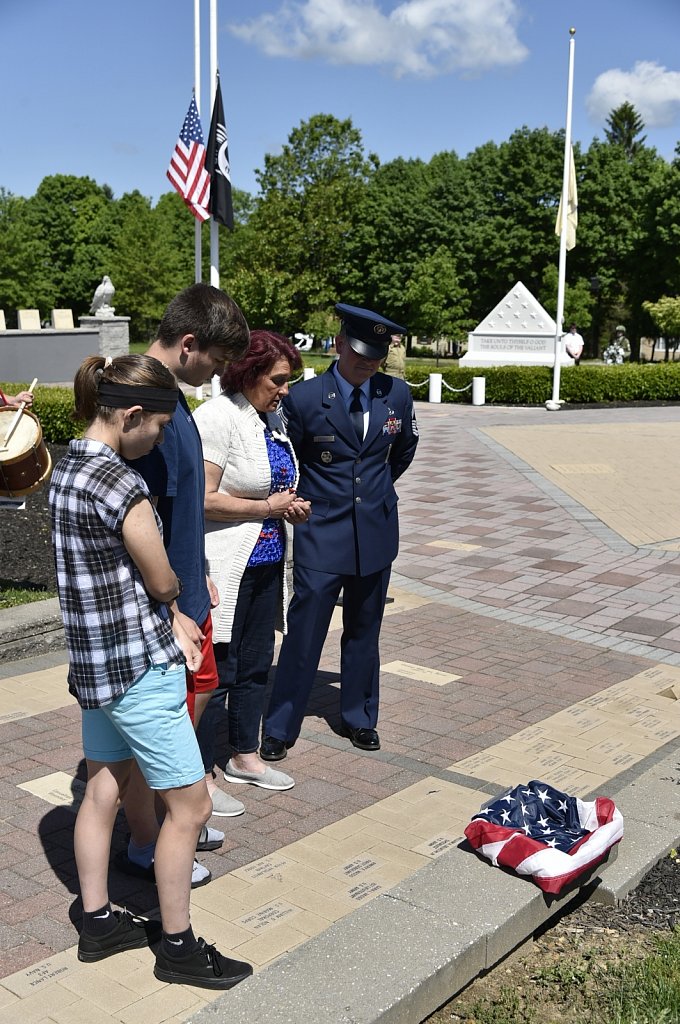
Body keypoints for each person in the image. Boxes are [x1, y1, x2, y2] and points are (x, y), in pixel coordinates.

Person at [49, 354, 252, 990]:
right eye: (159, 428)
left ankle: (98, 919)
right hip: (139, 666)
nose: (161, 439)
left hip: (93, 666)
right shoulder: (121, 484)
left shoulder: (65, 466)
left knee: (102, 788)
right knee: (188, 807)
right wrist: (176, 603)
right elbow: (164, 577)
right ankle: (179, 946)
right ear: (131, 415)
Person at [121, 284, 250, 868]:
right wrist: (169, 607)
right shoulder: (149, 405)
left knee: (179, 724)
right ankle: (148, 841)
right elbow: (142, 519)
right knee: (155, 739)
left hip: (186, 595)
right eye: (218, 362)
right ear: (190, 343)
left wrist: (198, 575)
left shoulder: (168, 396)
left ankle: (169, 828)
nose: (219, 373)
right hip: (163, 609)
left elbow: (184, 512)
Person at [260, 302, 419, 760]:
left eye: (377, 356)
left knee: (365, 631)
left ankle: (360, 717)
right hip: (321, 530)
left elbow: (402, 452)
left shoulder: (397, 394)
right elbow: (290, 456)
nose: (368, 363)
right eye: (360, 353)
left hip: (375, 530)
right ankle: (280, 724)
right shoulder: (305, 398)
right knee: (305, 632)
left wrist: (375, 492)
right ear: (338, 344)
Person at [193, 331, 311, 793]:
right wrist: (268, 508)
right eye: (279, 380)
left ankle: (244, 755)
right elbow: (201, 500)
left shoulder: (272, 418)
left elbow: (274, 487)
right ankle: (199, 774)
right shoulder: (218, 417)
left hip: (267, 561)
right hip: (225, 565)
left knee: (257, 662)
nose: (285, 390)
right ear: (249, 372)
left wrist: (289, 506)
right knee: (217, 670)